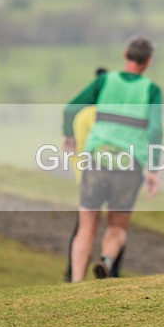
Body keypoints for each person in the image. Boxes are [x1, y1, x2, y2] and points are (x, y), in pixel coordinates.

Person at [63, 37, 162, 282]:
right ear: (148, 61)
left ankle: (76, 281)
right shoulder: (151, 90)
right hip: (129, 165)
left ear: (124, 54)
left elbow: (71, 108)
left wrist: (69, 135)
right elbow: (156, 130)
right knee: (117, 227)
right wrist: (153, 169)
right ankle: (106, 260)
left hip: (97, 161)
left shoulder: (105, 81)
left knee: (86, 227)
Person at [64, 67, 126, 281]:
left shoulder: (82, 117)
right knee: (116, 225)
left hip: (86, 178)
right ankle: (111, 270)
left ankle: (74, 275)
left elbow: (73, 148)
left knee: (83, 229)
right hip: (112, 176)